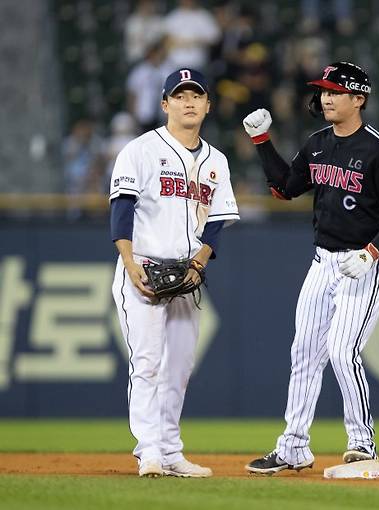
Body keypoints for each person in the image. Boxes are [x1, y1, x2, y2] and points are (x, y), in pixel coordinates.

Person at [242, 62, 379, 475]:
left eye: (335, 91)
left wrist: (371, 251)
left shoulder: (377, 149)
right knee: (304, 352)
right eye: (323, 91)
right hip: (323, 261)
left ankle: (361, 442)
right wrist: (262, 141)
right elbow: (285, 189)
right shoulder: (318, 143)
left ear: (359, 98)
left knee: (341, 350)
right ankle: (293, 448)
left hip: (363, 263)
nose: (326, 97)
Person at [109, 68, 240, 477]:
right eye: (179, 96)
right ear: (164, 104)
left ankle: (169, 450)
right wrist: (130, 263)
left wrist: (200, 262)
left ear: (207, 105)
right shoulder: (140, 150)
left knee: (180, 366)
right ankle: (149, 450)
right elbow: (122, 207)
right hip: (144, 267)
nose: (188, 102)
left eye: (196, 96)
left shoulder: (216, 159)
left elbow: (217, 221)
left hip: (187, 273)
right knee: (146, 361)